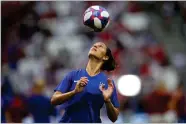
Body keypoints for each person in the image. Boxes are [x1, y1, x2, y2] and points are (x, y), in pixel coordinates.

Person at [51, 42, 120, 123]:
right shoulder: (73, 75)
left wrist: (107, 101)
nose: (95, 46)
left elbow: (114, 118)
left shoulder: (108, 83)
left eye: (100, 46)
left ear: (105, 57)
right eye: (94, 45)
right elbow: (54, 100)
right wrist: (74, 92)